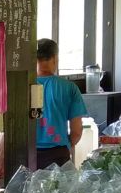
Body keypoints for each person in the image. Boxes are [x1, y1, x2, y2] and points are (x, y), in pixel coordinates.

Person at [34, 38, 88, 167]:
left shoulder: (22, 86)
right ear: (54, 58)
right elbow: (76, 131)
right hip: (58, 155)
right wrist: (66, 145)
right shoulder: (70, 88)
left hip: (25, 154)